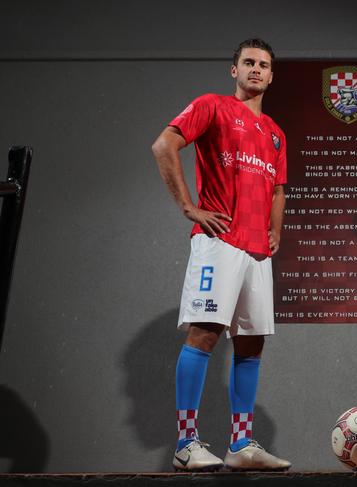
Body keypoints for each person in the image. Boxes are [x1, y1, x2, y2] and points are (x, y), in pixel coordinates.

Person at [151, 38, 290, 472]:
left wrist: (275, 231)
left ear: (271, 75)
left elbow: (279, 188)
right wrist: (189, 207)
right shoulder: (211, 106)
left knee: (250, 344)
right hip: (220, 241)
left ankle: (242, 444)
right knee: (205, 334)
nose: (255, 70)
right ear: (234, 70)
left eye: (263, 65)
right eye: (248, 62)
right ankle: (186, 442)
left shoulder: (275, 133)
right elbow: (163, 146)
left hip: (256, 251)